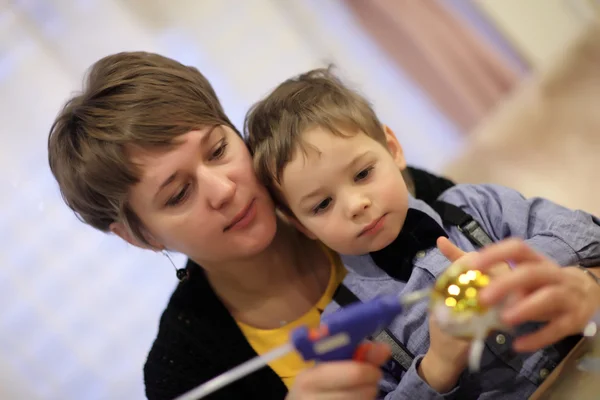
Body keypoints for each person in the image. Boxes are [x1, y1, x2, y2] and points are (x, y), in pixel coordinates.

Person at [47, 51, 458, 400]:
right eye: (178, 195)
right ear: (141, 236)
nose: (223, 189)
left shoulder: (369, 193)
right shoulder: (186, 372)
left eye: (219, 149)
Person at [244, 67, 600, 399]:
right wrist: (437, 367)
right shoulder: (343, 327)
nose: (355, 204)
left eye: (363, 173)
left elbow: (587, 231)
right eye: (322, 204)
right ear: (302, 225)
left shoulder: (473, 205)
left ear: (393, 150)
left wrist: (516, 267)